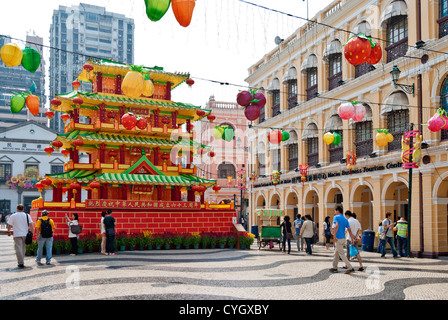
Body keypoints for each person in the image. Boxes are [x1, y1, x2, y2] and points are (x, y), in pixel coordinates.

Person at [329, 206, 355, 274]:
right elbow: (349, 229)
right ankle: (335, 267)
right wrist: (352, 238)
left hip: (338, 238)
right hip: (343, 238)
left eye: (335, 211)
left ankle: (350, 267)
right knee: (336, 253)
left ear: (337, 211)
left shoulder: (336, 217)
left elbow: (336, 226)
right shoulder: (345, 219)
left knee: (342, 254)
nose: (334, 212)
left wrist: (334, 235)